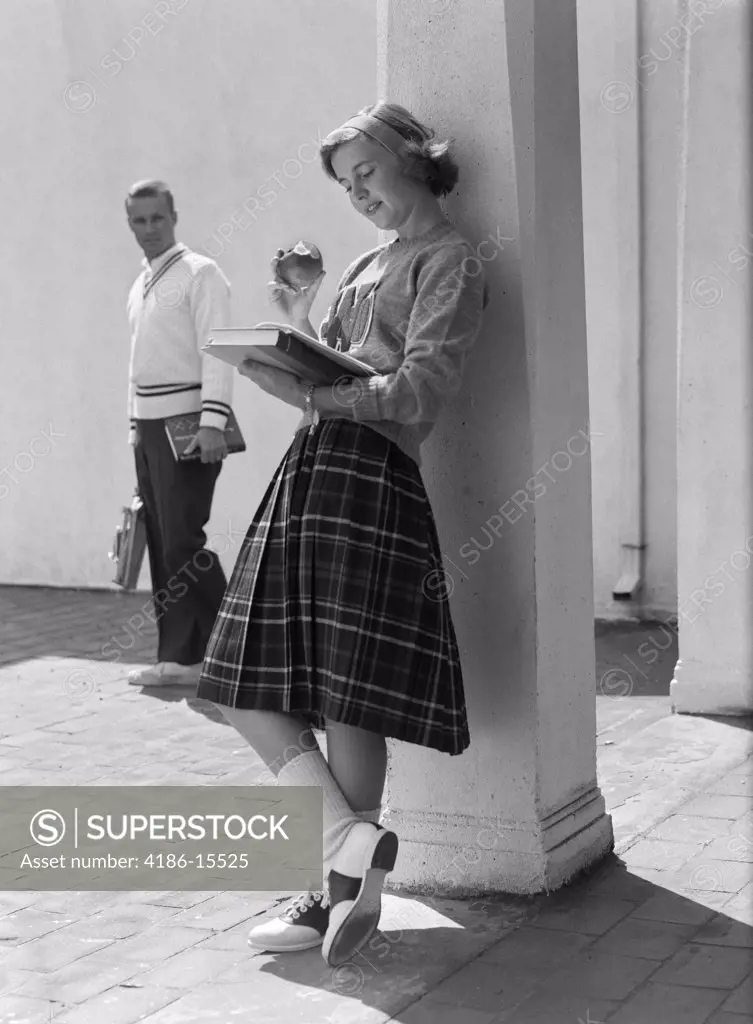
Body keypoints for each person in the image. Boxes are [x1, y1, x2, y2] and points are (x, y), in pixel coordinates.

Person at [196, 103, 486, 967]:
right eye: (344, 185)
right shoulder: (365, 261)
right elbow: (333, 371)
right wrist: (293, 319)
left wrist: (319, 393)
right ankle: (350, 850)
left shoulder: (452, 258)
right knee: (240, 683)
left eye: (366, 174)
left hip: (372, 478)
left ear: (410, 158)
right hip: (315, 467)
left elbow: (420, 390)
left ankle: (334, 899)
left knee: (346, 694)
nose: (357, 194)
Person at [124, 179, 234, 688]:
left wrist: (213, 422)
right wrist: (133, 429)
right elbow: (137, 365)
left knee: (185, 541)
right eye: (139, 220)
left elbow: (217, 350)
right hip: (147, 429)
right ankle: (179, 657)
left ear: (174, 216)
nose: (149, 228)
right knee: (164, 541)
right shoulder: (140, 283)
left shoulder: (200, 273)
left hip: (189, 424)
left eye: (157, 218)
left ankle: (233, 651)